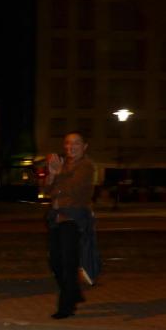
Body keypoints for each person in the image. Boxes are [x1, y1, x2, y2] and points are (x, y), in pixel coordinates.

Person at [44, 132, 97, 319]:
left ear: (84, 146)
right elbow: (47, 190)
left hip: (73, 220)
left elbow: (74, 189)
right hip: (57, 219)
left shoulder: (86, 166)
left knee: (68, 264)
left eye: (76, 143)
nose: (71, 147)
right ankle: (74, 292)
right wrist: (51, 176)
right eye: (68, 143)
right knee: (55, 262)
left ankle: (66, 307)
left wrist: (59, 174)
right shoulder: (63, 164)